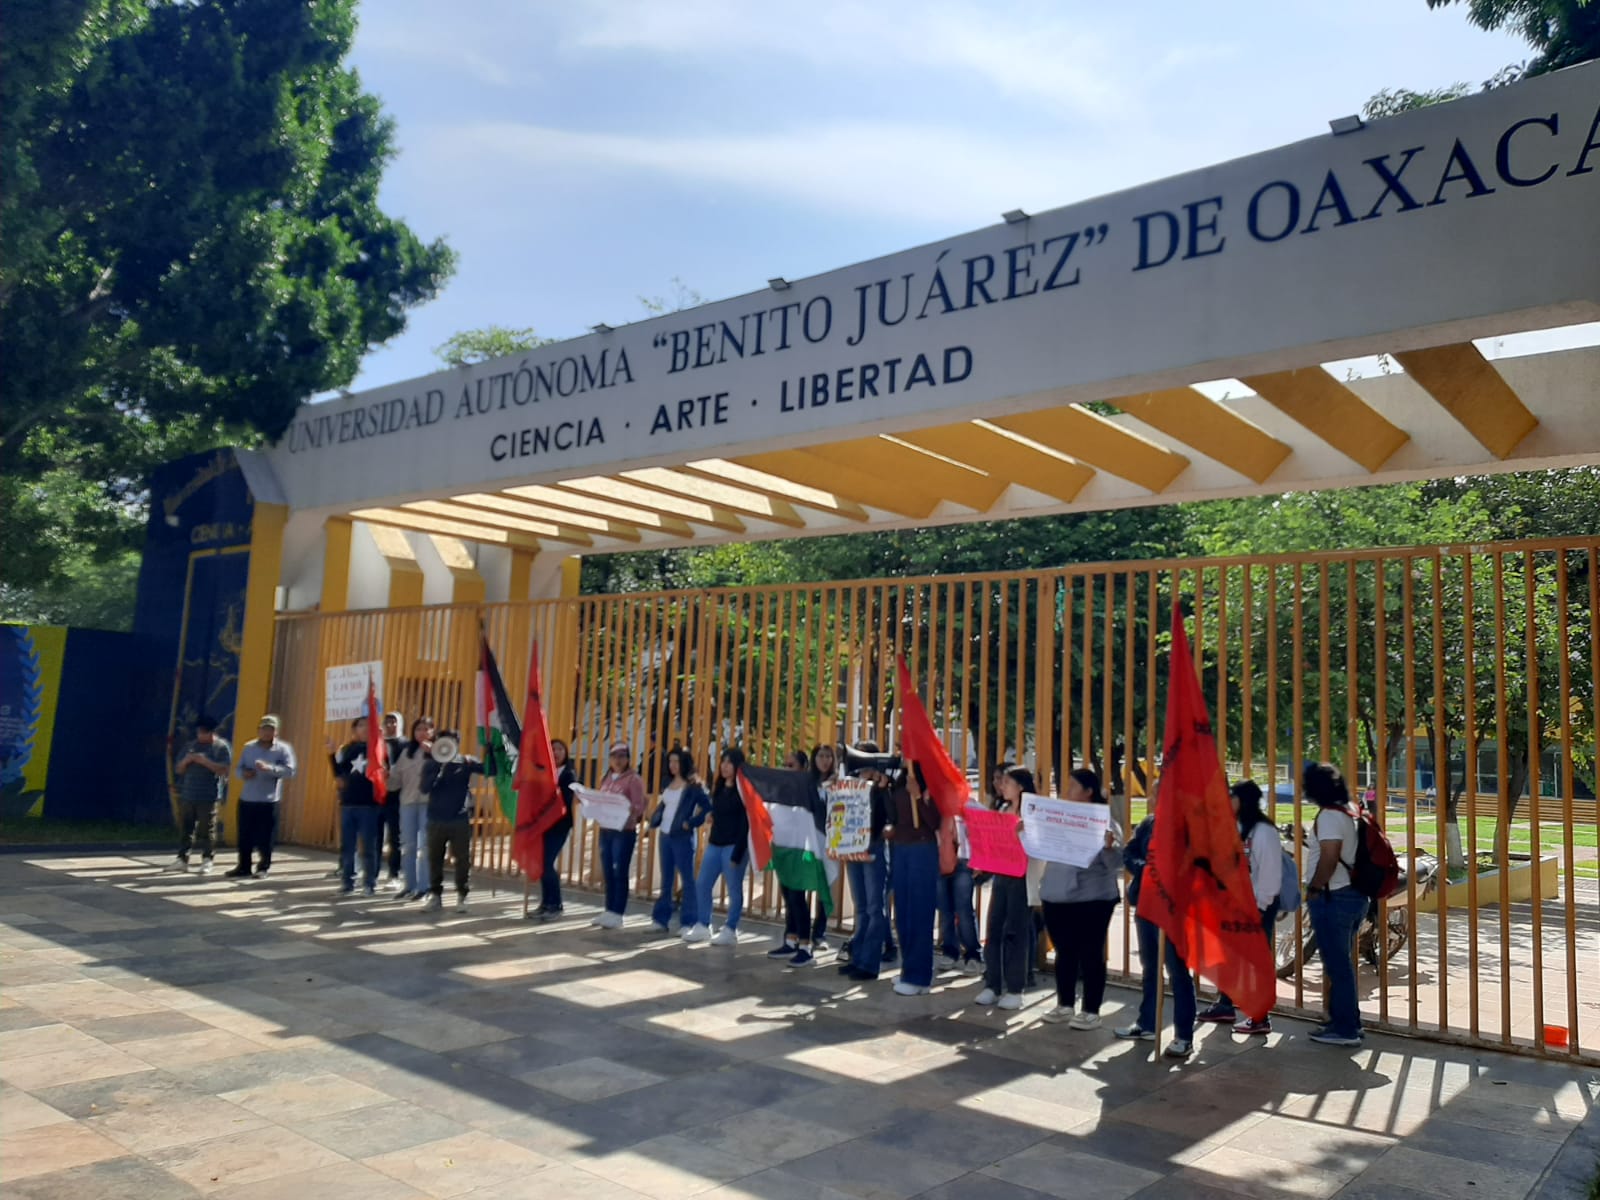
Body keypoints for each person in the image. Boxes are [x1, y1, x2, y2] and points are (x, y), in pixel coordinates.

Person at [1114, 777, 1195, 1058]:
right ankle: (1147, 1023)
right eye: (1153, 793)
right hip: (1147, 906)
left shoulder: (1188, 829)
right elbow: (1129, 852)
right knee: (1150, 967)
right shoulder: (1149, 823)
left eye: (1158, 794)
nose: (1152, 798)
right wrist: (1144, 869)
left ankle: (1184, 1035)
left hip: (1174, 910)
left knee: (1178, 972)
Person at [1037, 768, 1122, 1028]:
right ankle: (1065, 1004)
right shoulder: (1059, 817)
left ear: (1088, 791)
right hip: (1056, 895)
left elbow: (1116, 863)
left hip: (1092, 898)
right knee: (1064, 952)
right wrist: (1025, 833)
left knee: (1091, 953)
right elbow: (1041, 846)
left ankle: (1091, 1010)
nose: (1067, 791)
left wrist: (1109, 847)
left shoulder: (1104, 821)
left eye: (1073, 786)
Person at [1197, 780, 1283, 1035]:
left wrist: (1259, 907)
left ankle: (1260, 1016)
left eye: (1232, 797)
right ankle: (1225, 1004)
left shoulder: (1264, 832)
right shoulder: (1234, 826)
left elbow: (1270, 876)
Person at [1302, 761, 1366, 1046]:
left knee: (1338, 966)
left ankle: (1345, 1029)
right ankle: (1349, 1020)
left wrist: (1315, 888)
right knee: (1341, 964)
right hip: (1353, 895)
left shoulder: (1329, 815)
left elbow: (1329, 857)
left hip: (1333, 897)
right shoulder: (1349, 810)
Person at [974, 766, 1034, 1010]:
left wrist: (1023, 834)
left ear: (1021, 786)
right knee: (994, 928)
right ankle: (992, 984)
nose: (1002, 786)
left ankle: (1015, 988)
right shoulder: (1000, 809)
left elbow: (1039, 846)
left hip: (1021, 877)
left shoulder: (1032, 813)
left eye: (1007, 782)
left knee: (1016, 933)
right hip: (1001, 875)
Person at [769, 747, 829, 965]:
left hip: (803, 850)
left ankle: (805, 946)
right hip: (786, 849)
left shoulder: (809, 788)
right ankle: (791, 939)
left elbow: (816, 815)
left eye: (791, 765)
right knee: (788, 895)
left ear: (803, 767)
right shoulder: (784, 789)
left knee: (797, 897)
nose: (786, 769)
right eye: (785, 765)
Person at [887, 761, 942, 996]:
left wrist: (919, 797)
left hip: (922, 850)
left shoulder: (931, 784)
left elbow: (935, 821)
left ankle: (919, 977)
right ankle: (908, 968)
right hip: (901, 848)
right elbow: (892, 815)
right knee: (903, 912)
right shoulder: (901, 779)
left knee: (920, 913)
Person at [687, 748, 750, 945]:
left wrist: (738, 853)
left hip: (733, 845)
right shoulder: (720, 788)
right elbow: (717, 811)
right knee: (702, 883)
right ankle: (703, 924)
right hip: (715, 843)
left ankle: (731, 928)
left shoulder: (744, 792)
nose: (724, 766)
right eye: (723, 761)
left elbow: (745, 824)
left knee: (734, 889)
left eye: (729, 762)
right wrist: (711, 815)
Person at [838, 761, 891, 982]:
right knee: (861, 907)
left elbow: (888, 816)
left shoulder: (882, 789)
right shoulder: (851, 786)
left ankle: (869, 964)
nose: (861, 771)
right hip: (854, 847)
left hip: (873, 847)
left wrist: (881, 788)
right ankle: (857, 959)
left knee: (874, 908)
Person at [420, 729, 483, 913]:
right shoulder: (431, 764)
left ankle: (462, 894)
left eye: (451, 741)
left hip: (459, 819)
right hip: (436, 819)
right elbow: (424, 788)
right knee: (435, 858)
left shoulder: (465, 761)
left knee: (462, 859)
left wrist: (490, 750)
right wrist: (439, 767)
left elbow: (490, 770)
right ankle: (435, 894)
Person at [649, 748, 710, 933]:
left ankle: (689, 921)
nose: (672, 765)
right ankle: (661, 919)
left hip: (682, 836)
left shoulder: (693, 785)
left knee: (687, 879)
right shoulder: (668, 782)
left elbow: (707, 807)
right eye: (670, 761)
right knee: (666, 878)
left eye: (676, 761)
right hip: (665, 834)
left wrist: (691, 823)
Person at [230, 715, 296, 878]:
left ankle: (263, 867)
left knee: (266, 836)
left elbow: (290, 771)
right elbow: (237, 769)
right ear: (258, 730)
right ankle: (243, 866)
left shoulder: (283, 749)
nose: (267, 732)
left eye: (270, 729)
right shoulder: (249, 747)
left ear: (276, 731)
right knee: (244, 835)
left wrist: (270, 768)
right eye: (264, 729)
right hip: (248, 798)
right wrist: (244, 774)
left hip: (269, 800)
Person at [168, 716, 232, 875]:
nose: (200, 735)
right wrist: (186, 761)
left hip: (208, 795)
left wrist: (204, 761)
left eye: (204, 732)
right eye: (199, 732)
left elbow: (224, 770)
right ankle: (182, 859)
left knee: (207, 828)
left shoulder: (220, 747)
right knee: (186, 828)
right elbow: (178, 769)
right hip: (189, 793)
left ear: (212, 732)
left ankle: (207, 859)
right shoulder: (190, 746)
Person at [594, 741, 646, 928]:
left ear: (628, 759)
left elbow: (640, 805)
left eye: (622, 756)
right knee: (608, 871)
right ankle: (609, 909)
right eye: (614, 756)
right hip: (606, 829)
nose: (618, 760)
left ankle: (618, 912)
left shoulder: (634, 780)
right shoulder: (606, 778)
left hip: (623, 831)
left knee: (619, 871)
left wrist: (627, 808)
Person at [329, 717, 382, 896]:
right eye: (360, 725)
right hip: (348, 804)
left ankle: (369, 883)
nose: (364, 729)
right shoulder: (348, 749)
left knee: (368, 846)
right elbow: (339, 775)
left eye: (368, 725)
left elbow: (384, 771)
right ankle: (347, 882)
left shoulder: (377, 748)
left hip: (369, 805)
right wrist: (331, 755)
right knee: (347, 846)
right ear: (354, 730)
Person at [935, 792, 982, 975]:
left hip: (965, 861)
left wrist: (980, 860)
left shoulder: (972, 805)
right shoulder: (937, 804)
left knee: (963, 910)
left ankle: (973, 955)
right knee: (945, 909)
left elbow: (985, 833)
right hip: (941, 860)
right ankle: (950, 951)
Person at [388, 717, 435, 900]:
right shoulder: (406, 752)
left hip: (428, 803)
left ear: (432, 731)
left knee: (425, 846)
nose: (422, 733)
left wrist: (434, 754)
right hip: (407, 803)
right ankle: (409, 885)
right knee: (408, 845)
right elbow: (395, 782)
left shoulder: (439, 750)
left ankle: (424, 887)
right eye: (418, 729)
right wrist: (385, 777)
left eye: (426, 729)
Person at [532, 739, 577, 920]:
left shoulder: (568, 774)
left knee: (546, 863)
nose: (557, 752)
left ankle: (555, 904)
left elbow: (566, 798)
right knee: (542, 864)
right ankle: (545, 902)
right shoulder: (543, 771)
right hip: (543, 824)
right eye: (553, 749)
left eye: (560, 749)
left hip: (559, 825)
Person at [380, 711, 406, 890]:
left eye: (393, 722)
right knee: (375, 836)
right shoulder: (378, 743)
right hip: (378, 795)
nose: (390, 725)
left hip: (397, 796)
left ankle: (394, 873)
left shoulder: (405, 744)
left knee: (394, 837)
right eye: (387, 722)